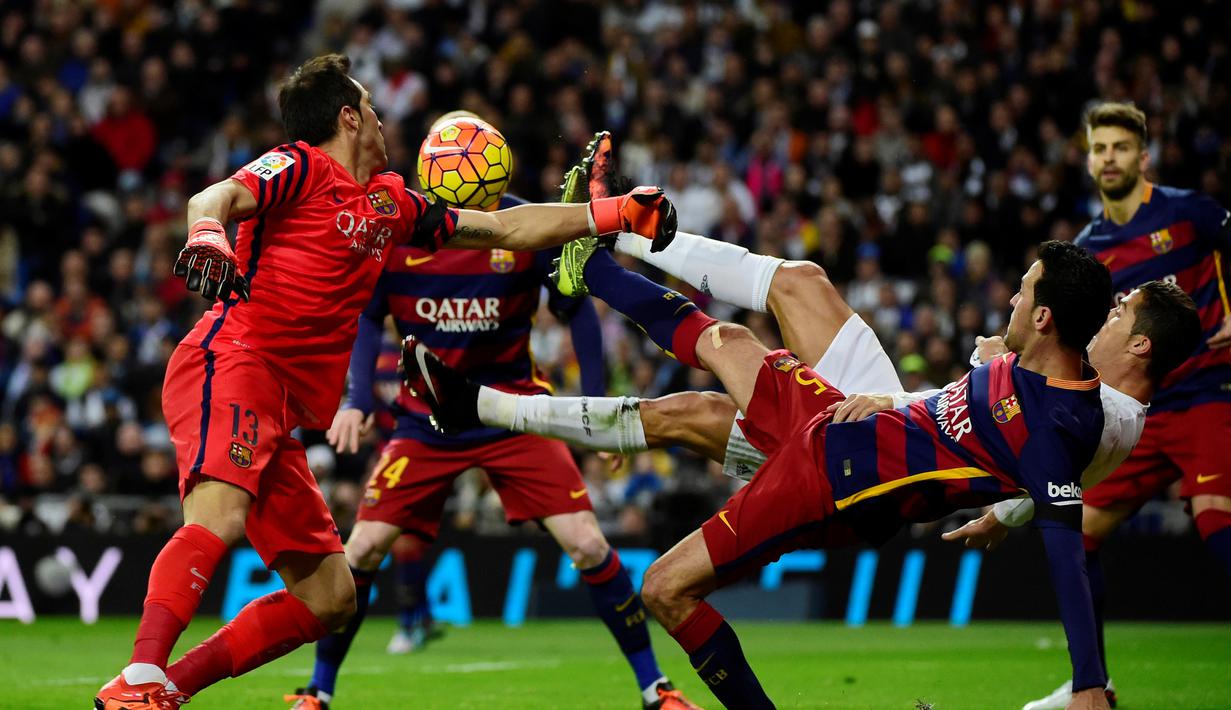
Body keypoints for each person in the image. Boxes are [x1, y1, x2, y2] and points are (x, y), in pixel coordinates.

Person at [95, 55, 677, 710]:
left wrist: (615, 212)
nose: (380, 117)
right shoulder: (299, 165)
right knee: (220, 515)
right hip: (233, 361)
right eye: (370, 106)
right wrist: (207, 233)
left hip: (282, 403)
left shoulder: (391, 203)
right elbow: (215, 197)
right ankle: (141, 674)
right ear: (348, 117)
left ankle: (169, 689)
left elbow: (509, 227)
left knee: (330, 598)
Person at [406, 233, 1116, 709]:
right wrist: (996, 489)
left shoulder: (1056, 426)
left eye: (1024, 292)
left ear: (1046, 319)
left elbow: (1066, 552)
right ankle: (586, 269)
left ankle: (494, 386)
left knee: (663, 588)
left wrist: (1088, 681)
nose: (1011, 300)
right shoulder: (1020, 364)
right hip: (842, 420)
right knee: (728, 341)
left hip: (831, 481)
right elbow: (975, 428)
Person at [287, 125, 701, 710]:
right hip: (426, 422)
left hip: (516, 413)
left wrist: (598, 406)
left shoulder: (526, 225)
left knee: (587, 544)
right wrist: (356, 400)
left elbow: (577, 311)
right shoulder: (399, 232)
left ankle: (656, 689)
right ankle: (319, 691)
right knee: (362, 550)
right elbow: (367, 317)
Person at [1015, 101, 1231, 710]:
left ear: (1143, 155)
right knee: (1079, 528)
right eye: (1099, 148)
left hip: (1207, 393)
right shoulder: (1091, 247)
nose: (1109, 158)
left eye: (1121, 147)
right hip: (1136, 410)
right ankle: (1094, 683)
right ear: (1088, 160)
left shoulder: (1191, 213)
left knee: (1215, 519)